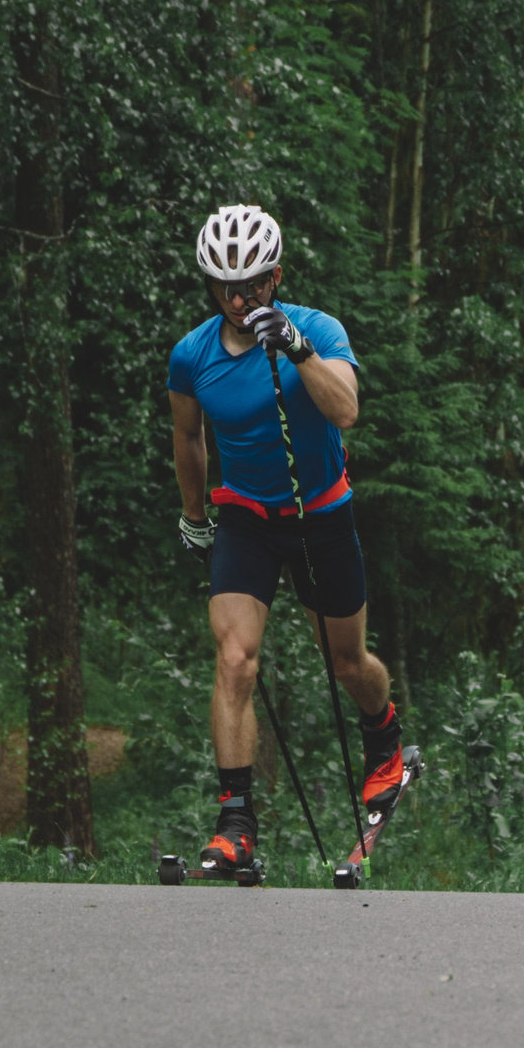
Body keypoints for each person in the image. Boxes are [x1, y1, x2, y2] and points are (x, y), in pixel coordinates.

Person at [169, 205, 407, 879]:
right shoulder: (193, 355)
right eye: (224, 287)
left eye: (250, 286)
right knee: (236, 658)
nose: (238, 300)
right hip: (245, 519)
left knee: (348, 663)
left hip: (321, 514)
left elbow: (347, 409)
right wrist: (194, 515)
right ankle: (235, 822)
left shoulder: (320, 329)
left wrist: (297, 347)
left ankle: (384, 736)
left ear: (276, 277)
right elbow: (188, 437)